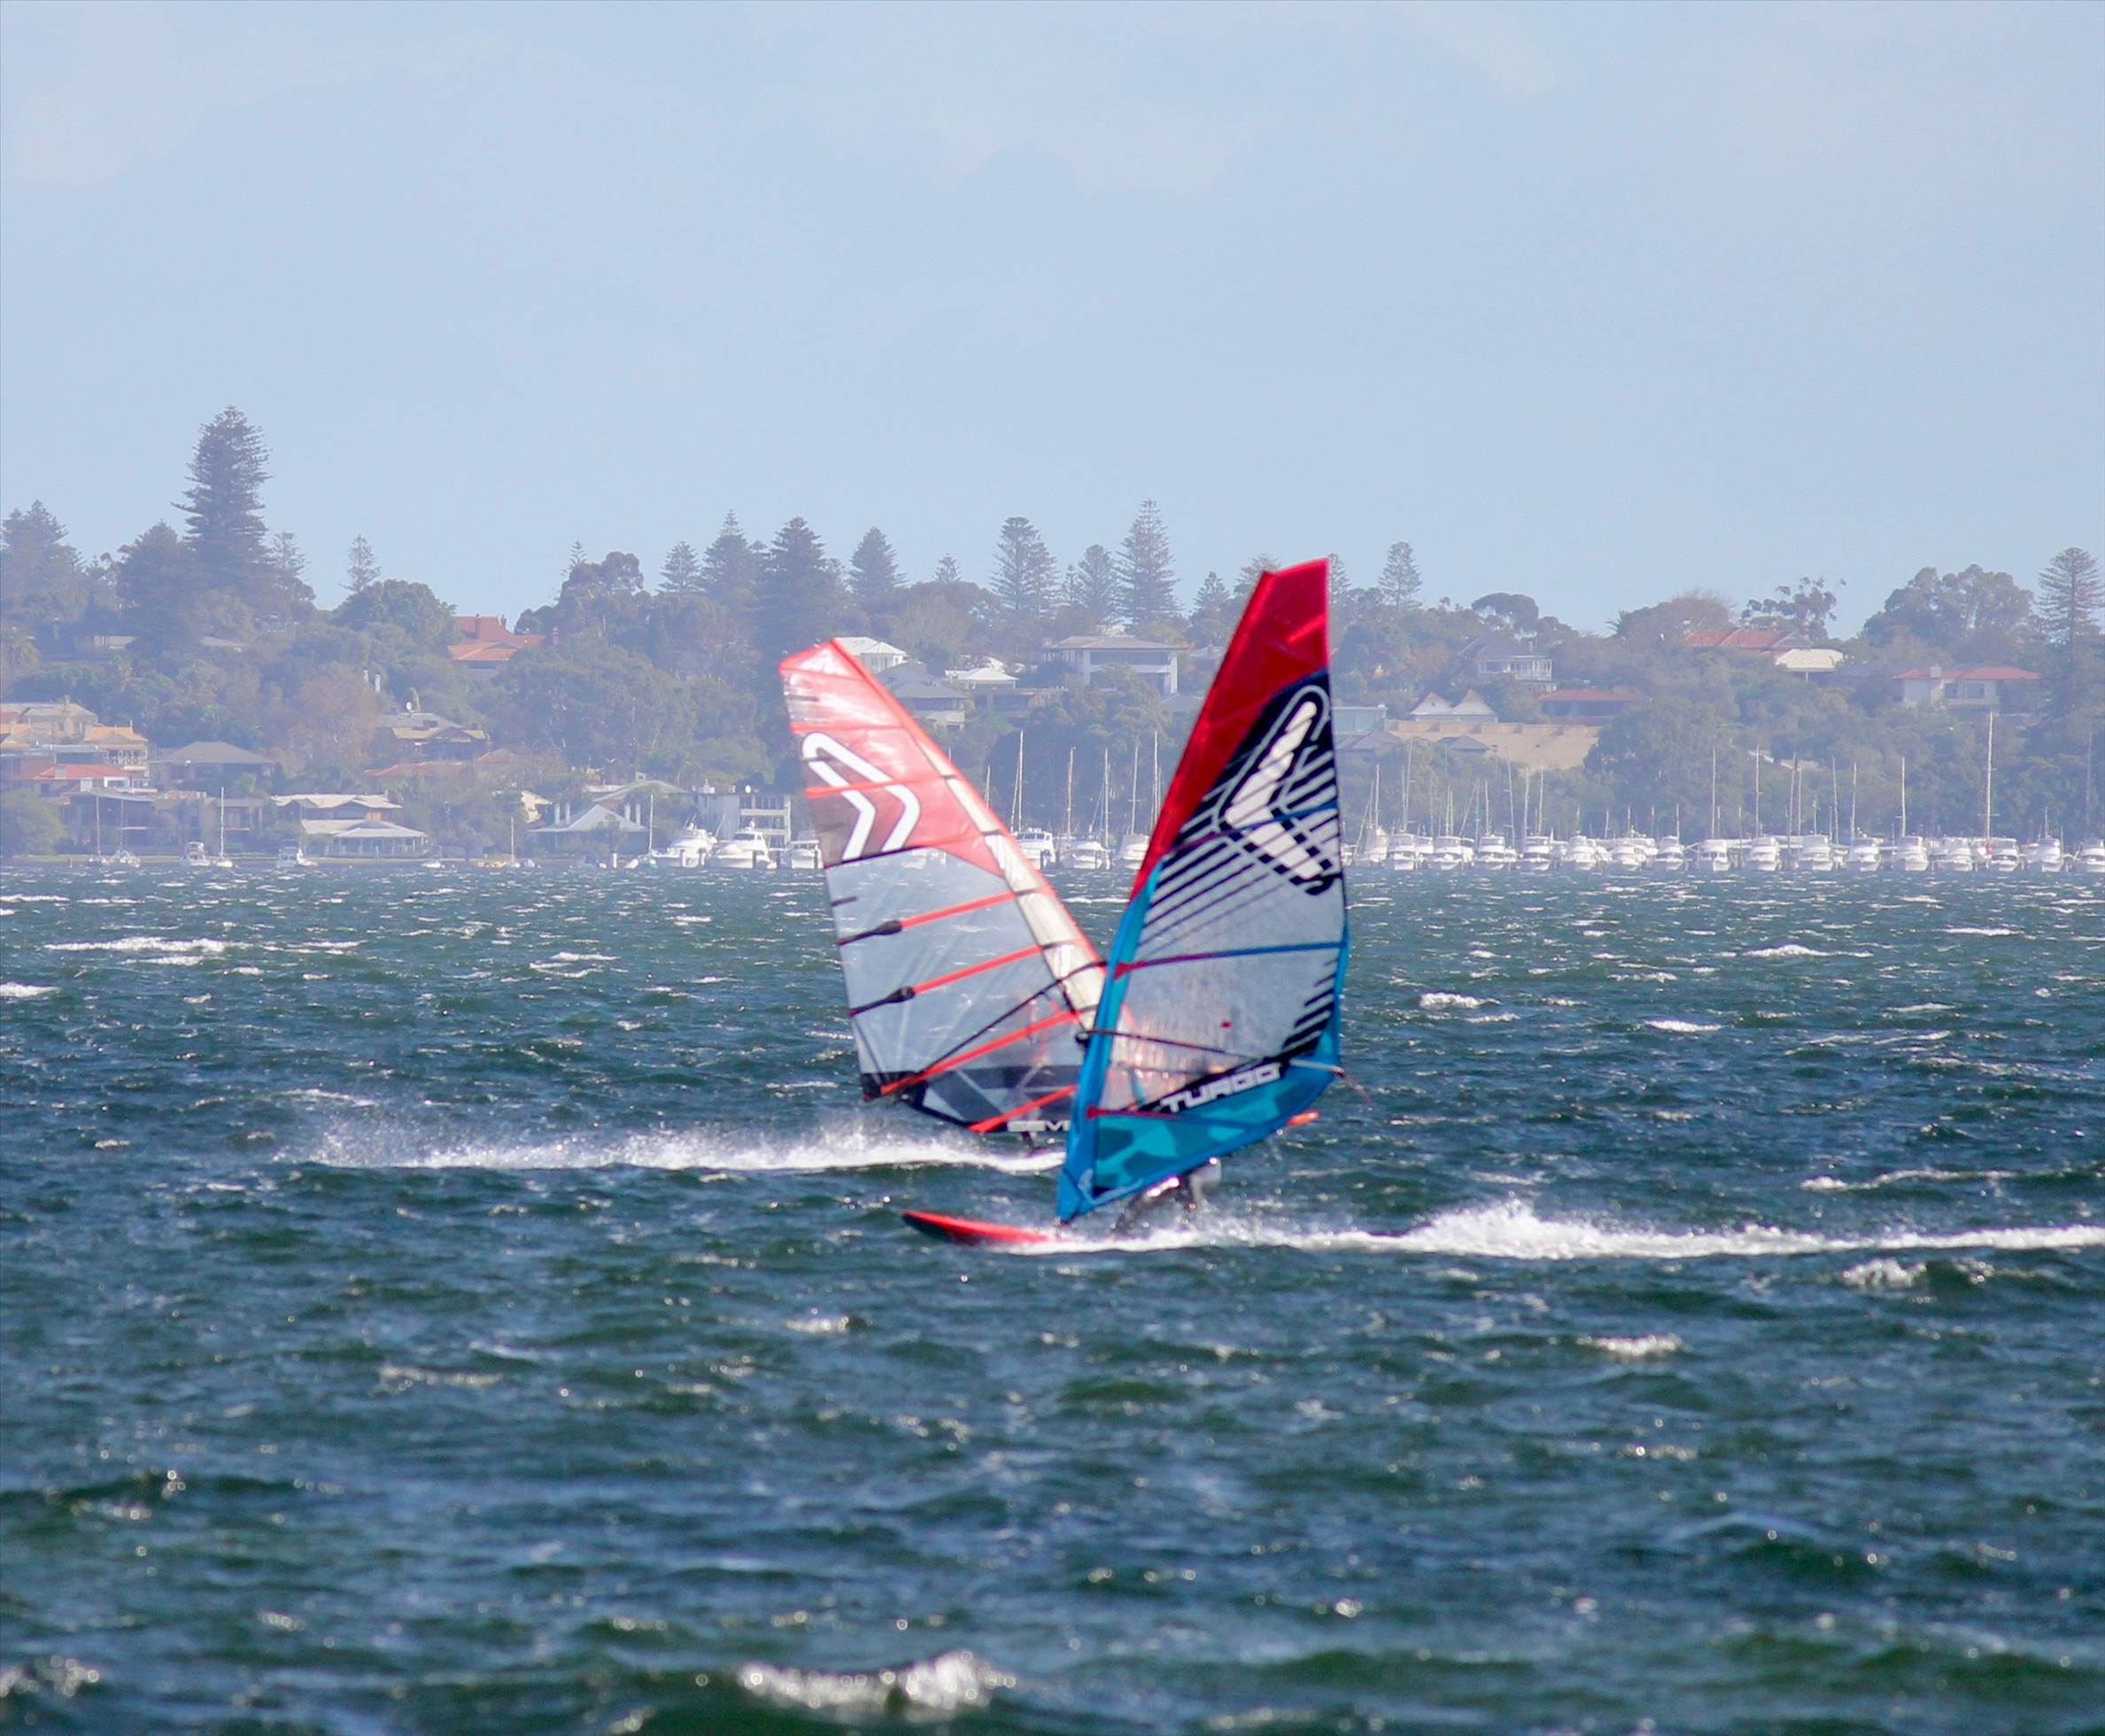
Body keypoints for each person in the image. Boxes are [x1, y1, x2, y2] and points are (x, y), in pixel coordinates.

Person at [1111, 1158, 1223, 1235]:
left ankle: (1192, 1227)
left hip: (1207, 1167)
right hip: (1178, 1171)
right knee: (1146, 1197)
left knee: (1192, 1182)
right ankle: (1117, 1233)